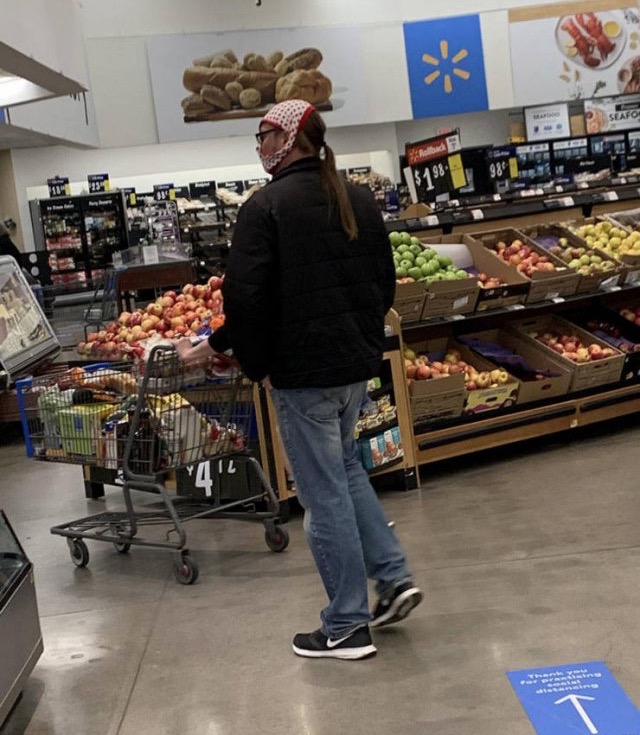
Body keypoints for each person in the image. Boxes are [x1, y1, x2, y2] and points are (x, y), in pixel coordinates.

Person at [176, 99, 422, 661]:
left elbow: (246, 300)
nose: (260, 146)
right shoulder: (357, 199)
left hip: (303, 377)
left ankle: (347, 626)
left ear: (289, 140)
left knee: (322, 496)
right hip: (354, 370)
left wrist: (243, 358)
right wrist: (360, 343)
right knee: (347, 472)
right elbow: (383, 286)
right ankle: (393, 578)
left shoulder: (265, 208)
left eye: (265, 135)